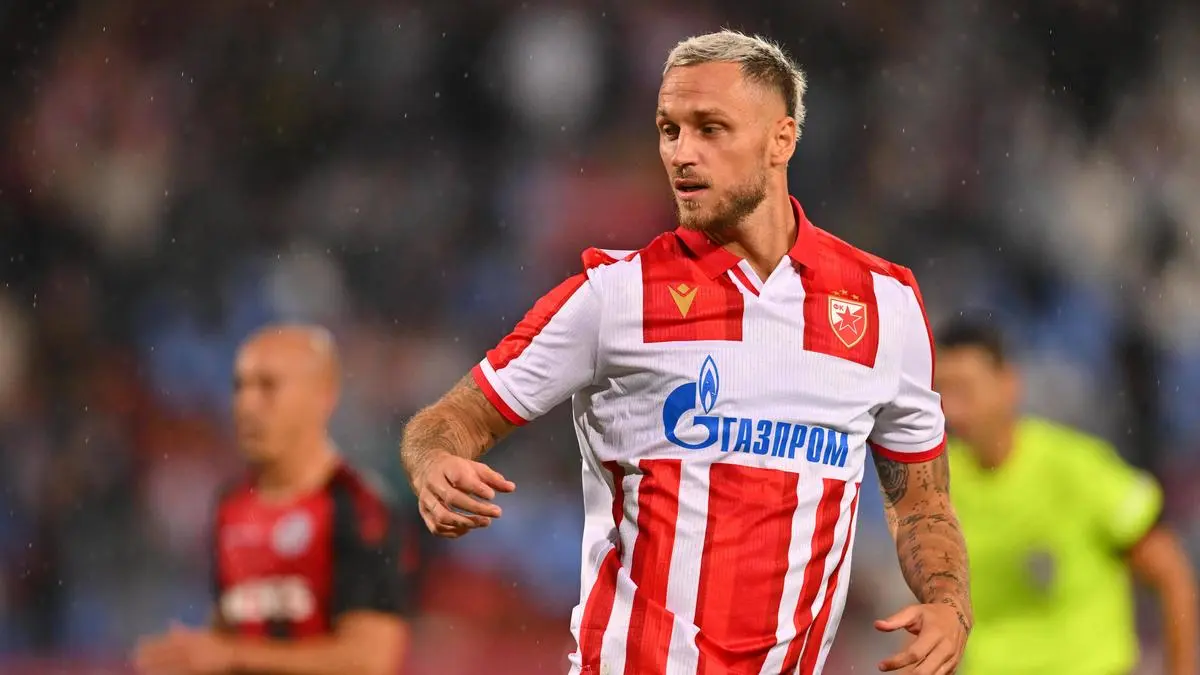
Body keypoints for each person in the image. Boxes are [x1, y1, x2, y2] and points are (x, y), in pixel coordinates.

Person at [401, 30, 972, 675]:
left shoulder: (883, 303)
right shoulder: (615, 296)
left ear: (782, 139)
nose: (681, 153)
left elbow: (922, 502)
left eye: (710, 128)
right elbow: (454, 418)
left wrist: (948, 603)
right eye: (668, 130)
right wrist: (434, 462)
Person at [135, 325, 417, 675]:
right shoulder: (231, 507)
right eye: (240, 386)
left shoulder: (361, 508)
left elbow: (370, 662)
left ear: (322, 397)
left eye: (268, 386)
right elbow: (230, 633)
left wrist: (230, 655)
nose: (246, 405)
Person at [935, 317, 1199, 675]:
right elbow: (936, 608)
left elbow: (1172, 576)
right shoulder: (939, 484)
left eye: (965, 391)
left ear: (1008, 384)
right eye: (943, 392)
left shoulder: (1076, 470)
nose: (953, 410)